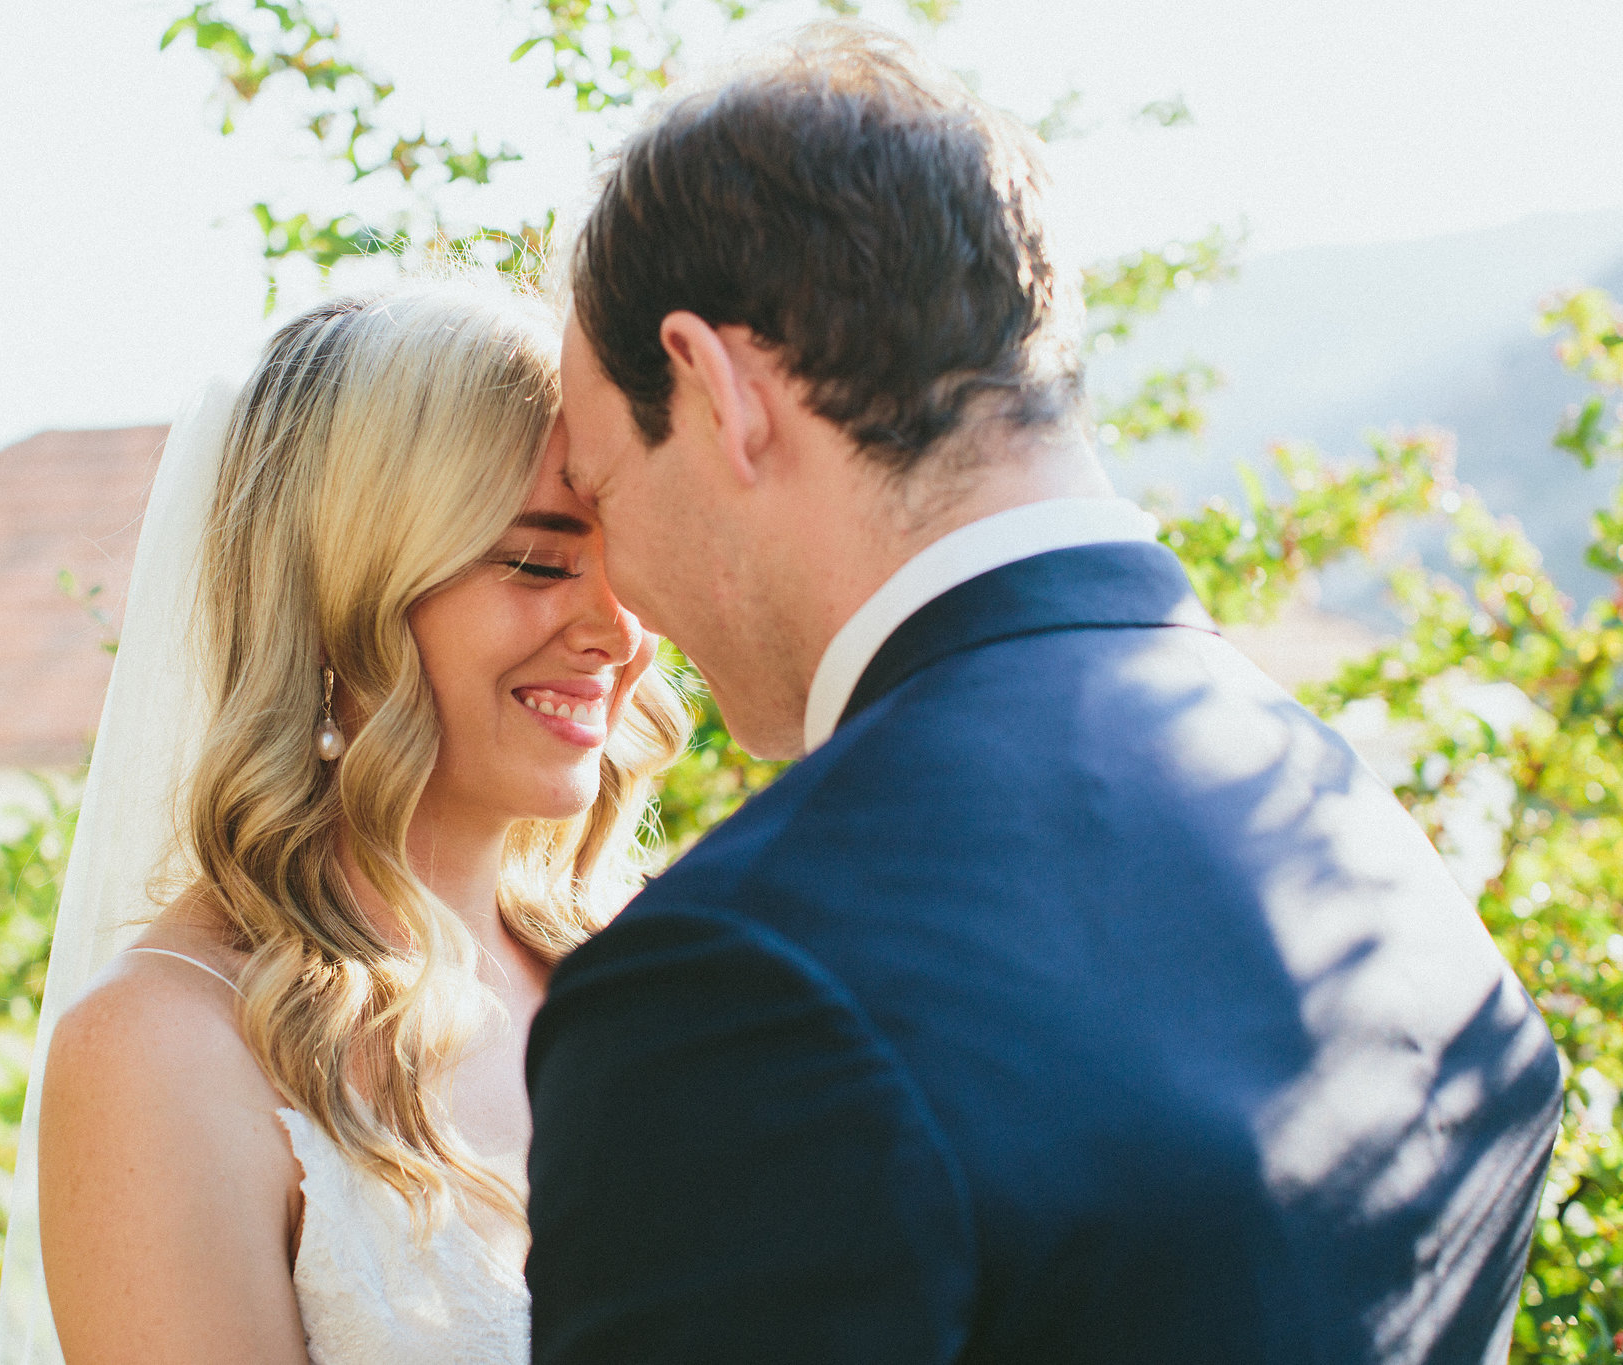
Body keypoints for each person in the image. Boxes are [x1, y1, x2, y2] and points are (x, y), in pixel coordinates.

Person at [526, 24, 1565, 1365]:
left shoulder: (741, 984)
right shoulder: (1357, 831)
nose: (621, 598)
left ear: (720, 391)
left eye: (602, 489)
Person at [0, 284, 688, 1365]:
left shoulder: (645, 971)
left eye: (625, 560)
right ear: (342, 593)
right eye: (541, 561)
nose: (619, 631)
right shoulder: (167, 1051)